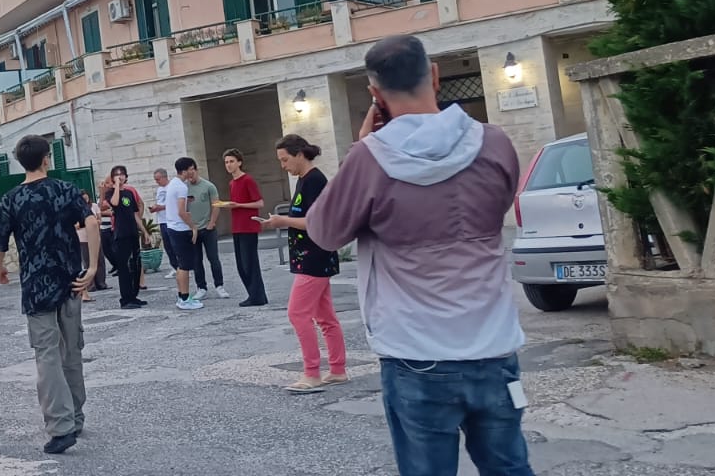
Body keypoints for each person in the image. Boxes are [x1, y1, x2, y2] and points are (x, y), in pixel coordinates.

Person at [311, 34, 529, 476]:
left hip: (416, 352)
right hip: (495, 345)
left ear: (375, 95)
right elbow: (500, 205)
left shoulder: (370, 159)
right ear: (434, 74)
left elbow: (323, 232)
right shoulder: (495, 143)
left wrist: (360, 150)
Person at [0, 135, 98, 455]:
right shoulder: (65, 190)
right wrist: (91, 267)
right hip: (70, 280)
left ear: (20, 162)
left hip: (36, 285)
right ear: (47, 158)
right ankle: (76, 417)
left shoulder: (10, 199)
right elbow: (91, 222)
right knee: (72, 351)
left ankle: (61, 426)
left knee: (47, 355)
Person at [261, 134, 345, 393]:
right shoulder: (304, 180)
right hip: (311, 255)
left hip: (315, 256)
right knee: (324, 315)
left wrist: (282, 221)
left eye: (285, 159)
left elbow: (315, 221)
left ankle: (312, 373)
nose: (283, 165)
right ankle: (338, 369)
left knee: (298, 313)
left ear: (299, 154)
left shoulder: (315, 181)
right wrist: (280, 220)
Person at [217, 149, 269, 307]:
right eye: (226, 162)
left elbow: (260, 203)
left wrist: (239, 205)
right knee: (241, 264)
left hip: (248, 226)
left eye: (232, 161)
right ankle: (253, 294)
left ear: (239, 162)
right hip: (237, 227)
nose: (229, 165)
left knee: (250, 263)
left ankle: (258, 296)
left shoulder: (248, 180)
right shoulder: (232, 183)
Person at [179, 159, 227, 299]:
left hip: (208, 228)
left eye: (192, 170)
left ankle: (219, 285)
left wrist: (211, 223)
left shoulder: (208, 186)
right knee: (196, 260)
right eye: (188, 171)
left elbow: (216, 204)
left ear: (196, 170)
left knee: (213, 258)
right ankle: (201, 287)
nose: (190, 174)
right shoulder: (184, 188)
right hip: (193, 229)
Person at [101, 166, 147, 309]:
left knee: (135, 265)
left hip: (133, 232)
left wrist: (145, 231)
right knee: (124, 267)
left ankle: (133, 295)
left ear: (126, 177)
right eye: (116, 175)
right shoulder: (111, 193)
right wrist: (116, 187)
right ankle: (125, 299)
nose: (120, 177)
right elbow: (114, 203)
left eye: (122, 174)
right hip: (121, 234)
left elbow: (135, 214)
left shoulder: (129, 193)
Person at [160, 159, 203, 310]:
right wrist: (193, 227)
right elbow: (181, 211)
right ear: (184, 171)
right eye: (191, 169)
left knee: (180, 264)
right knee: (185, 265)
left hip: (172, 227)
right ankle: (185, 298)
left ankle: (182, 296)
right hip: (180, 228)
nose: (193, 171)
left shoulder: (173, 184)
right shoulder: (181, 187)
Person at [150, 168, 175, 279]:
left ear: (165, 177)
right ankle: (174, 267)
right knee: (168, 246)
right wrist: (155, 207)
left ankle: (183, 267)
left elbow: (173, 203)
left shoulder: (172, 187)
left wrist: (160, 207)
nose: (157, 181)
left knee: (174, 245)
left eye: (158, 179)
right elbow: (160, 202)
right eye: (155, 179)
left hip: (171, 219)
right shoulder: (160, 189)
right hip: (162, 220)